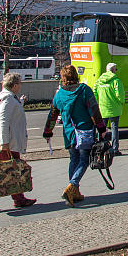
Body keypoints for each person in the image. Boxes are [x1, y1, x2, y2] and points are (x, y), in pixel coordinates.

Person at [43, 65, 106, 207]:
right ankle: (73, 185)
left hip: (69, 133)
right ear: (76, 75)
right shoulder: (84, 90)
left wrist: (48, 132)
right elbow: (94, 110)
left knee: (73, 159)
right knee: (84, 159)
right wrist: (101, 127)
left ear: (63, 78)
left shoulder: (59, 95)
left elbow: (52, 115)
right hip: (84, 131)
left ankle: (74, 192)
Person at [0, 72, 36, 214]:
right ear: (14, 85)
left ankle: (18, 198)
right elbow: (3, 121)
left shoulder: (9, 97)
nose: (20, 86)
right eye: (19, 83)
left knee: (10, 171)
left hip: (4, 143)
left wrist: (20, 102)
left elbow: (10, 111)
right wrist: (4, 143)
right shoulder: (7, 98)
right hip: (2, 144)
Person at [93, 62, 124, 155]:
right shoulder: (116, 81)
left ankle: (101, 148)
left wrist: (98, 103)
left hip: (102, 108)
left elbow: (94, 92)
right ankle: (115, 149)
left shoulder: (99, 81)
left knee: (102, 129)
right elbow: (120, 95)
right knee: (114, 129)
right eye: (116, 69)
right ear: (113, 70)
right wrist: (121, 102)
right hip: (114, 109)